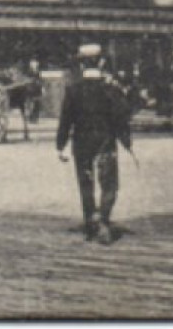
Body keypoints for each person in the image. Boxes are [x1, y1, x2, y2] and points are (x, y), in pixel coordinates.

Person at [56, 44, 135, 244]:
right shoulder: (111, 90)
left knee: (85, 183)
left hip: (81, 144)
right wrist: (127, 142)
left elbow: (66, 120)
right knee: (109, 184)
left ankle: (90, 220)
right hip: (105, 143)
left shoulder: (73, 91)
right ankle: (104, 220)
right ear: (101, 63)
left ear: (82, 64)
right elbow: (122, 118)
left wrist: (60, 145)